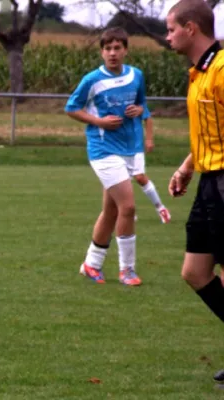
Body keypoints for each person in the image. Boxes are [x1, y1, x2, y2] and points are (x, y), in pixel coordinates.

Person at [164, 0, 224, 382]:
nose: (166, 36)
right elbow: (209, 131)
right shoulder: (198, 73)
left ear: (191, 28)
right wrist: (186, 168)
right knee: (195, 271)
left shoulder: (221, 68)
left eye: (170, 29)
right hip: (208, 181)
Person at [65, 27, 149, 286]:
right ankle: (127, 270)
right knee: (129, 207)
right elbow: (71, 108)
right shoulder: (92, 79)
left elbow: (143, 105)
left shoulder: (136, 75)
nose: (112, 53)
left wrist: (138, 110)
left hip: (129, 148)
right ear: (102, 52)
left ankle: (92, 264)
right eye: (108, 48)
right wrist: (99, 121)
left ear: (125, 49)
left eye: (117, 48)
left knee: (111, 211)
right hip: (103, 151)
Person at [132, 111, 171, 224]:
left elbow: (147, 118)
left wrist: (149, 139)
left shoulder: (135, 96)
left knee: (140, 177)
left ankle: (161, 208)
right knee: (122, 181)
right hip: (118, 146)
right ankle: (129, 212)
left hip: (135, 146)